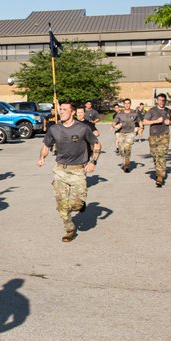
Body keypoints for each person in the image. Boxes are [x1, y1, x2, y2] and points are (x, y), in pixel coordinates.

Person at [38, 101, 99, 242]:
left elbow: (96, 144)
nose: (61, 112)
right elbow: (46, 145)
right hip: (60, 170)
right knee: (61, 204)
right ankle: (69, 230)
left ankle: (80, 204)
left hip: (78, 170)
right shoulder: (54, 129)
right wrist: (42, 158)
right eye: (60, 109)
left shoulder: (82, 128)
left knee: (76, 204)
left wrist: (93, 162)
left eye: (65, 109)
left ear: (73, 112)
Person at [142, 93, 171, 187]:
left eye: (163, 100)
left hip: (164, 135)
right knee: (155, 156)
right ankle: (158, 171)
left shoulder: (169, 111)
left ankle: (160, 176)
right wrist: (156, 121)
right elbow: (144, 122)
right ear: (156, 101)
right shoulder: (152, 111)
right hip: (153, 136)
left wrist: (170, 122)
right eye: (159, 100)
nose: (161, 102)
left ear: (165, 101)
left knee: (162, 155)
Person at [111, 98, 141, 173]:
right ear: (123, 104)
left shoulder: (134, 113)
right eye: (125, 103)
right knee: (121, 150)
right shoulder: (120, 114)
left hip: (130, 133)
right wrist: (114, 125)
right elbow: (114, 122)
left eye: (128, 103)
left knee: (127, 147)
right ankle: (125, 160)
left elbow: (140, 121)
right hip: (121, 133)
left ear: (130, 104)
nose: (127, 105)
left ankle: (127, 164)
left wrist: (141, 128)